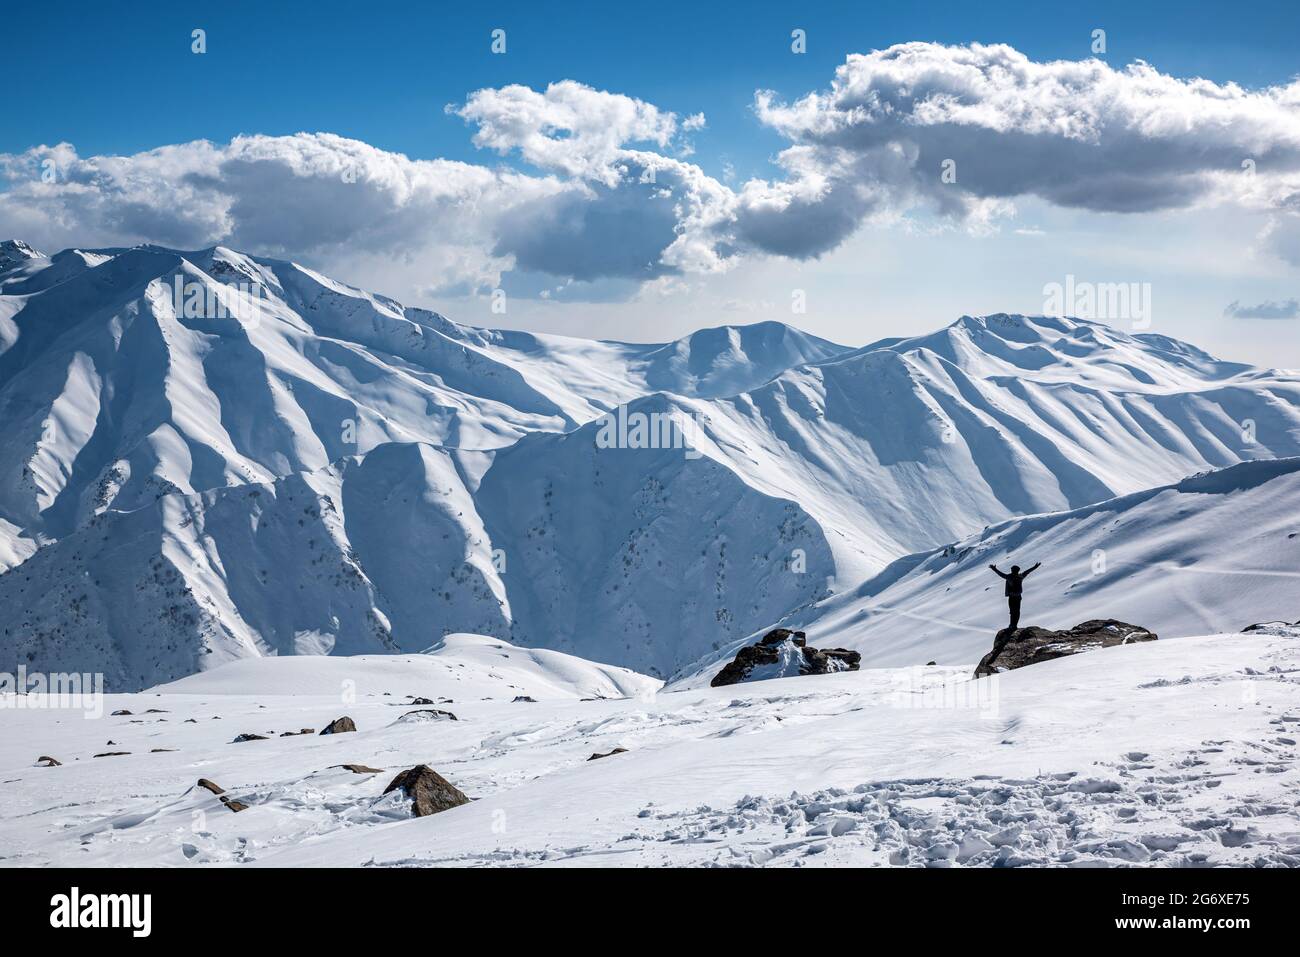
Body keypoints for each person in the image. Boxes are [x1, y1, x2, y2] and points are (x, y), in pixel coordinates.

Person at [988, 561, 1040, 631]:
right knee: (1017, 611)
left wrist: (994, 569)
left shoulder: (1009, 577)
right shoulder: (1020, 576)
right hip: (1018, 597)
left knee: (1012, 611)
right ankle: (1014, 625)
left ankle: (1012, 625)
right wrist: (1035, 567)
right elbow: (1028, 571)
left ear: (1012, 570)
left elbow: (1000, 574)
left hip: (1012, 597)